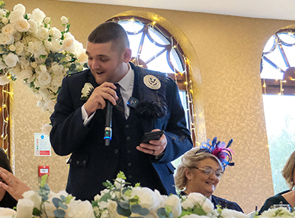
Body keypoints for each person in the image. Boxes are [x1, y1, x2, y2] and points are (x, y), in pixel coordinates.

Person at [50, 21, 192, 200]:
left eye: (103, 59)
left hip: (153, 194)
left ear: (126, 55)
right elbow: (58, 143)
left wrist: (166, 144)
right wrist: (86, 109)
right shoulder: (73, 85)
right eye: (90, 57)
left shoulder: (163, 85)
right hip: (91, 196)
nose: (94, 66)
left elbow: (184, 137)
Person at [174, 138, 243, 212]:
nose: (214, 177)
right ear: (188, 174)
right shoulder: (174, 207)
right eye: (207, 171)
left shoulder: (232, 209)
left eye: (217, 174)